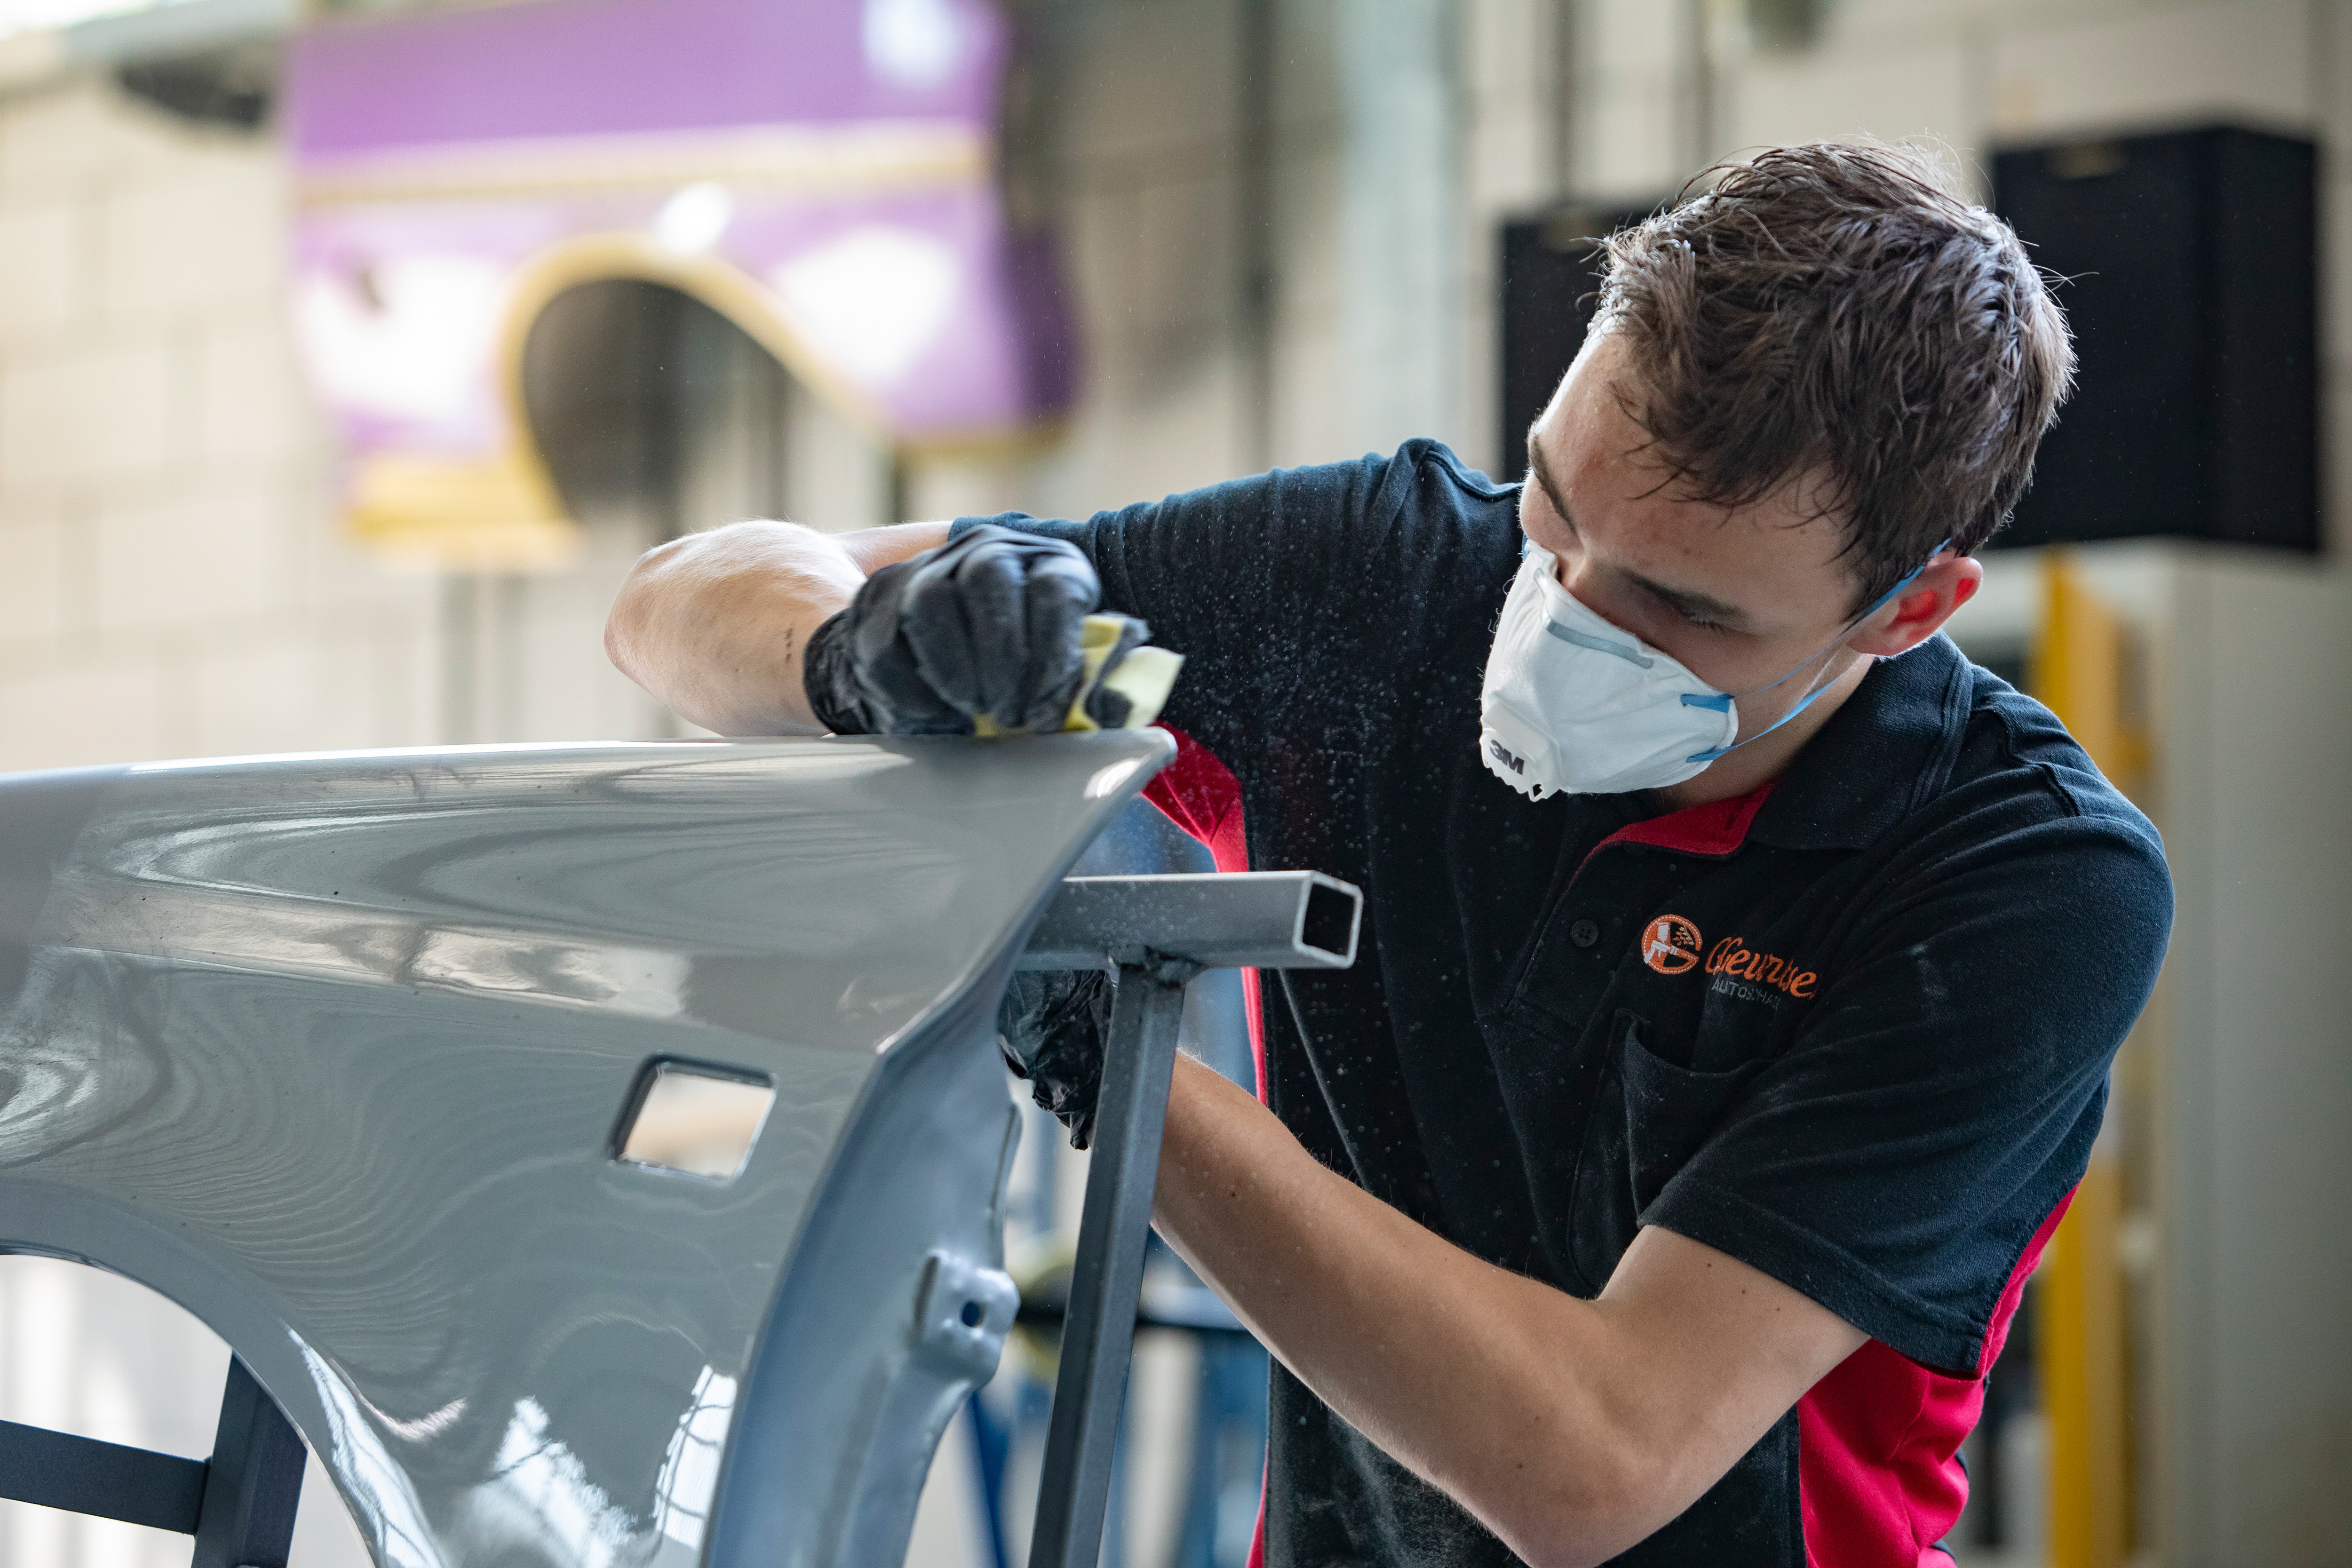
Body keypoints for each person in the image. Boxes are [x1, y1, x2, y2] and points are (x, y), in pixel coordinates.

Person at [604, 143, 2171, 1568]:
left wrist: (1100, 1034)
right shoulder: (1380, 585)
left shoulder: (2017, 882)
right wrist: (860, 649)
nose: (1562, 612)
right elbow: (675, 602)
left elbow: (1597, 1460)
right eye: (1553, 508)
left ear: (1910, 611)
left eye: (1685, 612)